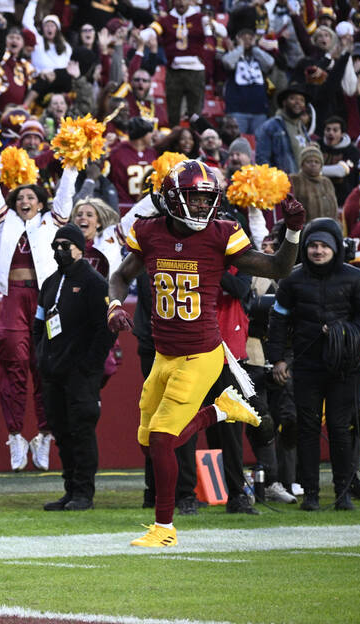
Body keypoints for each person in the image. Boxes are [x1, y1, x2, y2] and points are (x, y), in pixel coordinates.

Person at [108, 159, 305, 547]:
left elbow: (278, 268)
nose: (202, 206)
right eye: (195, 199)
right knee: (148, 442)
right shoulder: (148, 231)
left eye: (206, 199)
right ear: (170, 199)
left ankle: (164, 529)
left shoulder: (221, 234)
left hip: (202, 353)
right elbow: (119, 276)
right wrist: (114, 307)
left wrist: (294, 231)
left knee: (164, 439)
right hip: (164, 353)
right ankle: (220, 410)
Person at [265, 218, 360, 512]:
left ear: (335, 248)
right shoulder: (292, 278)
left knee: (341, 428)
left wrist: (345, 331)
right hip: (306, 366)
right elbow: (278, 319)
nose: (318, 251)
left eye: (323, 246)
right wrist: (277, 358)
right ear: (305, 248)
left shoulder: (355, 278)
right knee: (307, 428)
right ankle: (311, 494)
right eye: (313, 246)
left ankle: (344, 494)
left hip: (346, 366)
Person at [0, 151, 78, 471]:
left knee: (44, 365)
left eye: (31, 196)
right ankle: (16, 436)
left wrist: (74, 162)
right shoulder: (3, 220)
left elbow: (65, 194)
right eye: (20, 196)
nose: (25, 200)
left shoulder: (52, 221)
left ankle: (45, 435)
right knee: (14, 361)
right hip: (12, 300)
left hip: (44, 299)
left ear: (40, 202)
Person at [36, 223, 114, 511]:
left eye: (65, 245)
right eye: (55, 246)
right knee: (61, 431)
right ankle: (70, 489)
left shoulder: (95, 283)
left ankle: (84, 493)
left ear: (80, 249)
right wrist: (40, 355)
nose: (59, 251)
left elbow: (106, 328)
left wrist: (88, 366)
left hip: (80, 374)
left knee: (82, 431)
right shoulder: (50, 283)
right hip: (53, 371)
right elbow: (39, 324)